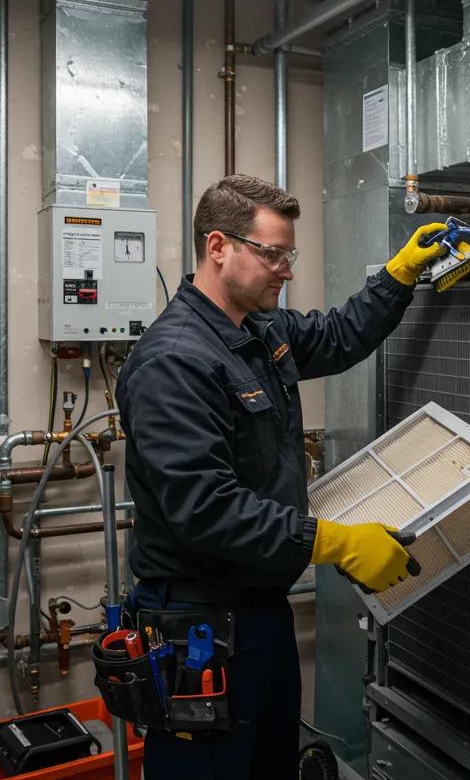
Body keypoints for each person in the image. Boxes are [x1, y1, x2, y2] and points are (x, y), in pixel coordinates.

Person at [116, 174, 448, 778]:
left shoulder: (259, 332)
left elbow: (339, 335)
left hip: (259, 615)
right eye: (273, 254)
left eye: (288, 254)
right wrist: (336, 542)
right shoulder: (175, 361)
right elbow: (206, 510)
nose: (286, 270)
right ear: (219, 247)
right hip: (201, 627)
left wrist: (399, 274)